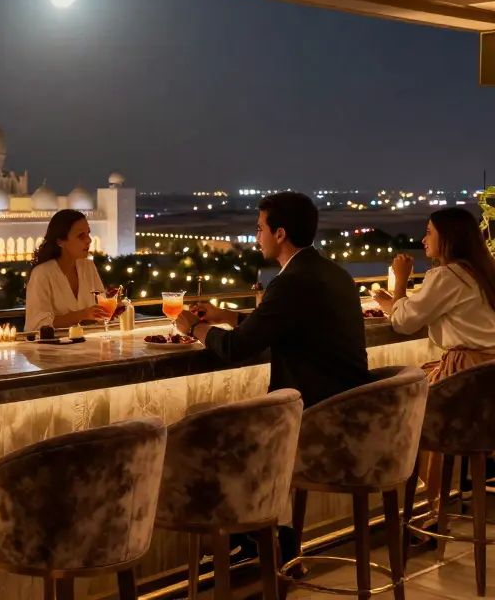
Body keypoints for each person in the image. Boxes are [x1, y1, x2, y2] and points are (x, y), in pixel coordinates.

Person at [175, 191, 375, 407]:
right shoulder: (335, 272)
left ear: (280, 234)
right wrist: (226, 316)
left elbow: (235, 348)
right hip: (353, 404)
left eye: (260, 229)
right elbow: (283, 323)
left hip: (317, 414)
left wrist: (194, 327)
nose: (257, 238)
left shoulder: (291, 281)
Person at [371, 207, 495, 520]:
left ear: (448, 237)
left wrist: (400, 281)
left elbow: (404, 322)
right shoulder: (483, 272)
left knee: (405, 400)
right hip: (487, 381)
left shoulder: (447, 275)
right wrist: (393, 303)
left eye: (429, 232)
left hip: (467, 377)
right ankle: (441, 500)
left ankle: (427, 503)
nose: (423, 239)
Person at [24, 209, 111, 332]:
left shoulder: (88, 267)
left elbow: (101, 306)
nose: (89, 240)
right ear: (61, 241)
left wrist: (111, 309)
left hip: (89, 341)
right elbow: (38, 324)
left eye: (88, 233)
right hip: (55, 343)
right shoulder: (42, 274)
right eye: (81, 235)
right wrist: (82, 315)